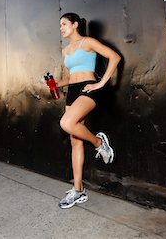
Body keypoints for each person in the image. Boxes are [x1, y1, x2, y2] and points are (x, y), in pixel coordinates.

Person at [54, 13, 121, 209]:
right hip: (72, 91)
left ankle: (99, 143)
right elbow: (68, 77)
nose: (61, 27)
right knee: (75, 141)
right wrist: (56, 84)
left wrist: (100, 83)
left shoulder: (88, 42)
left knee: (66, 123)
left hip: (88, 88)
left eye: (64, 24)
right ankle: (78, 190)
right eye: (60, 25)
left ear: (75, 25)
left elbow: (114, 57)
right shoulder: (65, 51)